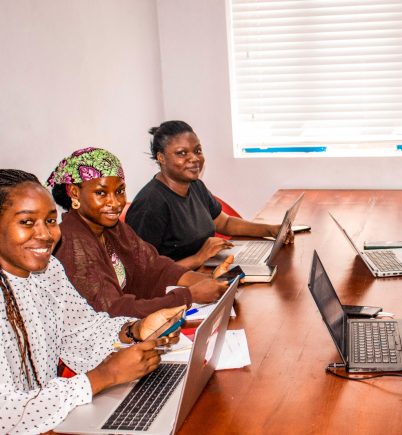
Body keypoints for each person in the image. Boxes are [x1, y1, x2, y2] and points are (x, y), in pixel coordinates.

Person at [0, 169, 184, 433]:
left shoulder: (48, 269)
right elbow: (4, 413)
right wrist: (104, 376)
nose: (45, 234)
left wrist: (135, 329)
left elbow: (81, 331)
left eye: (51, 221)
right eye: (27, 222)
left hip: (51, 423)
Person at [47, 147, 227, 318]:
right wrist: (188, 296)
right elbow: (112, 310)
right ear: (74, 193)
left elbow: (154, 267)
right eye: (101, 193)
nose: (116, 203)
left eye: (119, 191)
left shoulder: (111, 228)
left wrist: (204, 280)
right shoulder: (71, 244)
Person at [125, 120, 293, 269]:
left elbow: (224, 223)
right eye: (182, 153)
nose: (194, 158)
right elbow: (143, 273)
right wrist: (199, 258)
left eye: (197, 150)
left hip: (208, 270)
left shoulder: (195, 186)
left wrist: (271, 230)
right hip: (177, 290)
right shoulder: (150, 205)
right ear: (161, 158)